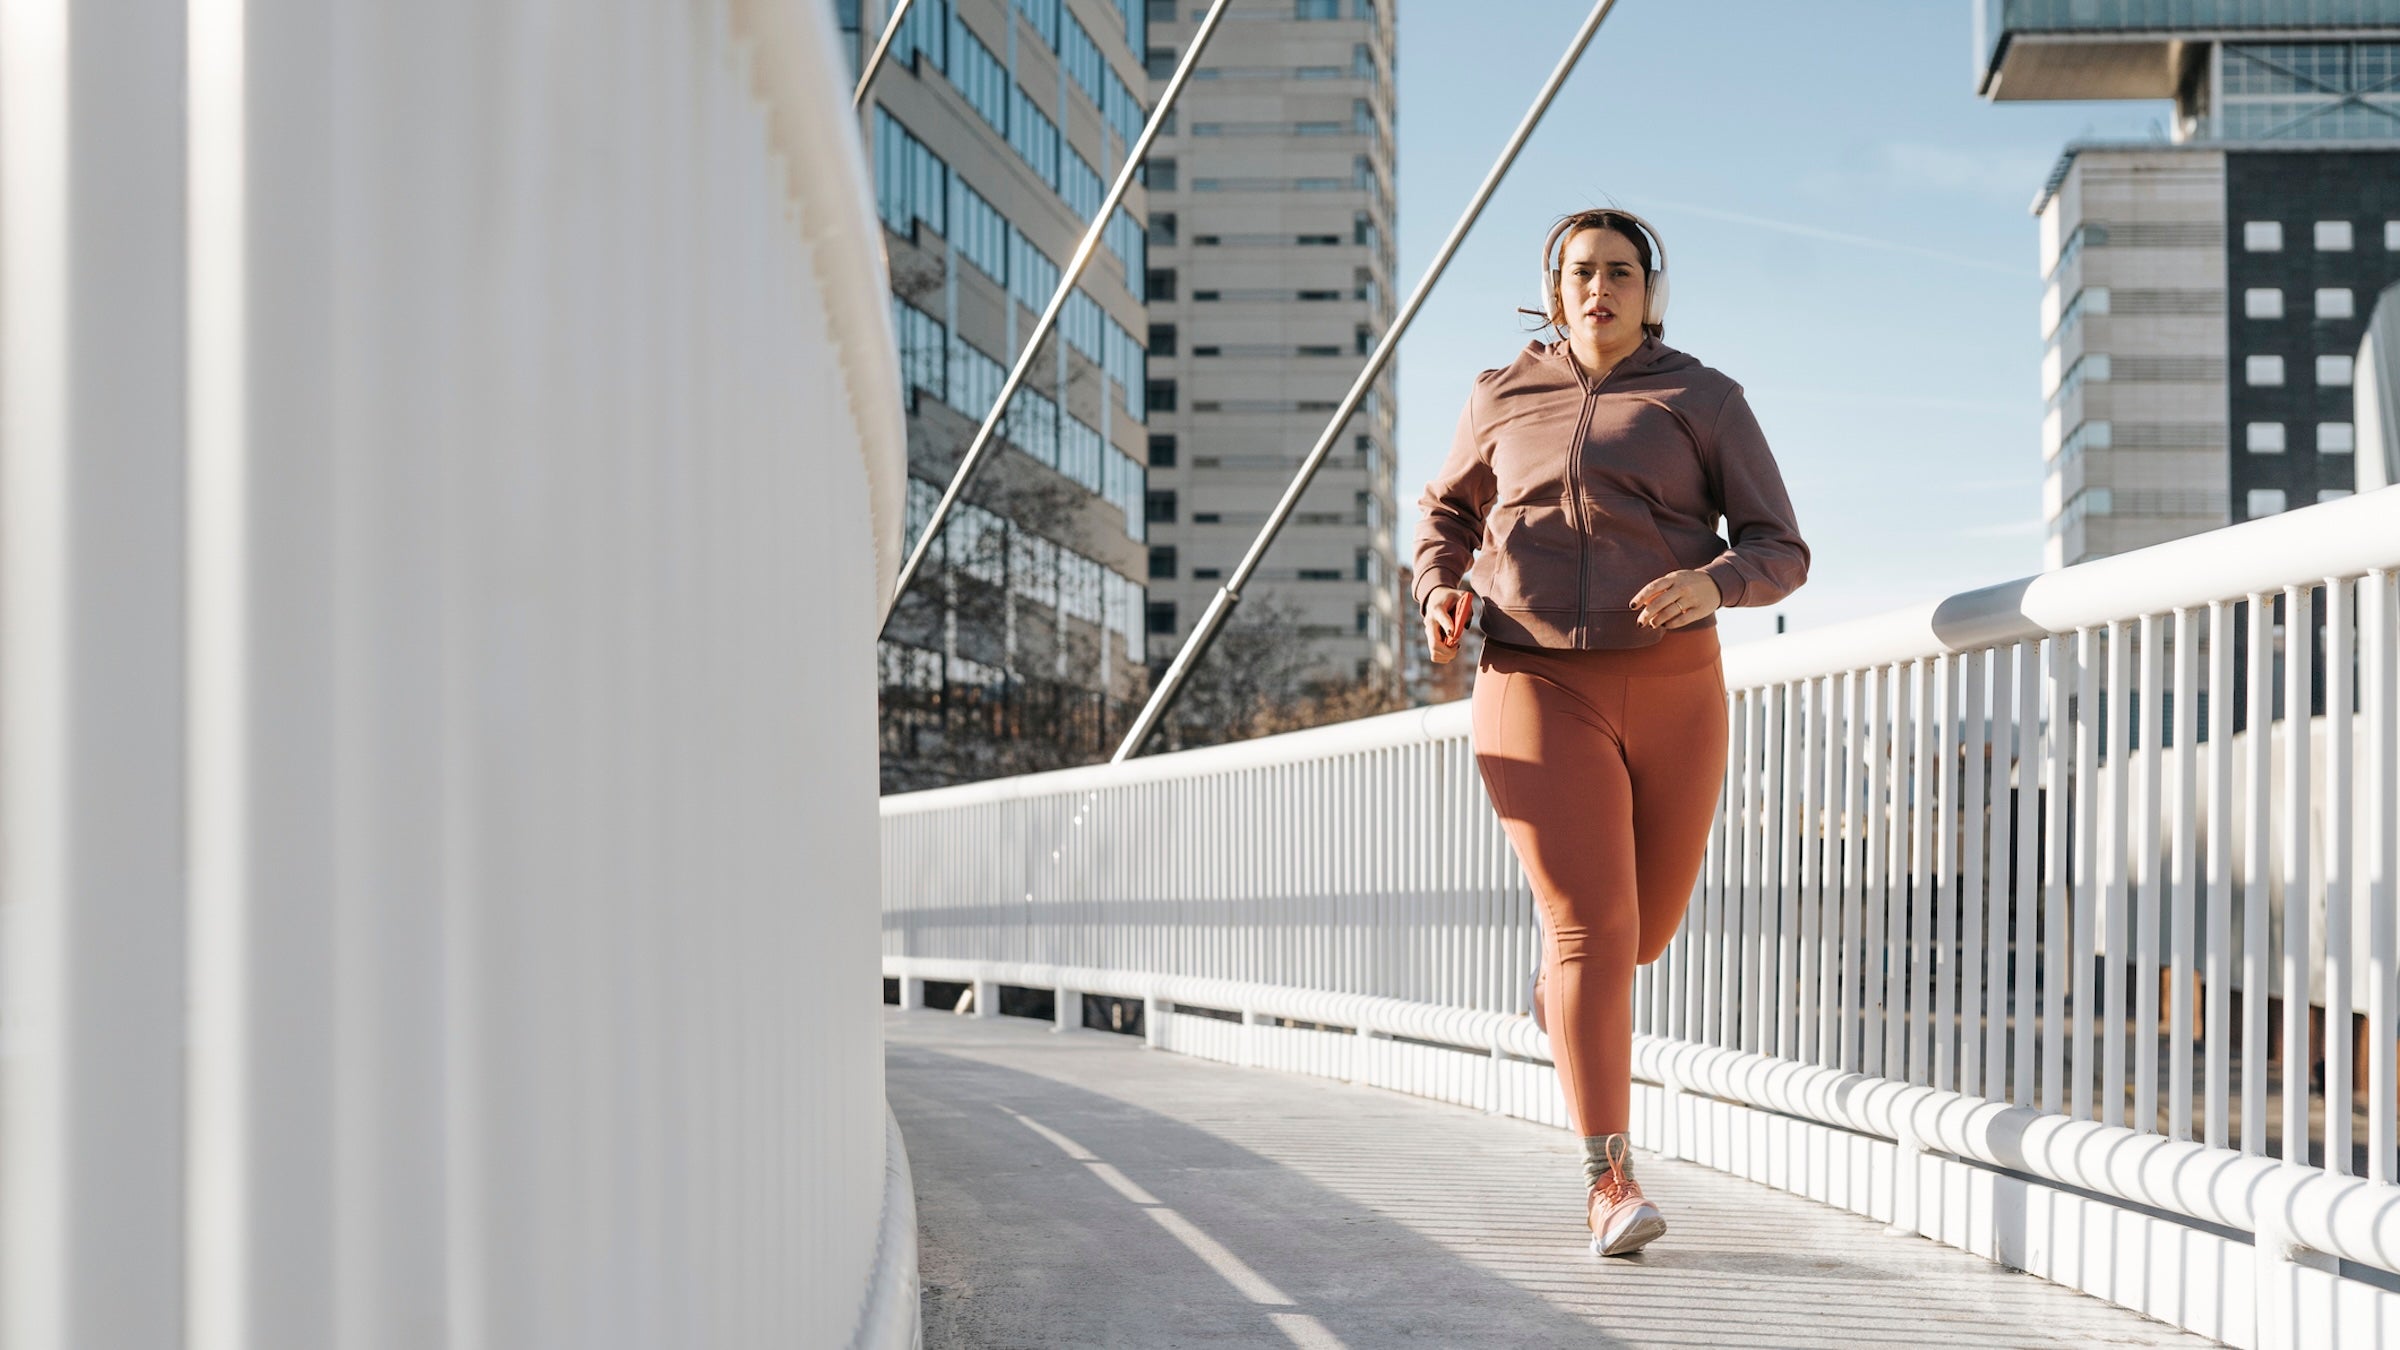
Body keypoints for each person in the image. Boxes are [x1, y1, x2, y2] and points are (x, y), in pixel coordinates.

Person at [1412, 207, 1809, 1257]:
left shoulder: (1704, 400)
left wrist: (1715, 580)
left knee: (1642, 935)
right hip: (1535, 680)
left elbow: (1781, 547)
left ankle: (1561, 996)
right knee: (1592, 924)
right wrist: (1440, 590)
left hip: (1675, 688)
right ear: (1553, 289)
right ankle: (1610, 1179)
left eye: (1621, 273)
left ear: (1650, 291)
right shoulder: (1500, 394)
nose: (1600, 289)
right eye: (1581, 272)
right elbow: (1445, 516)